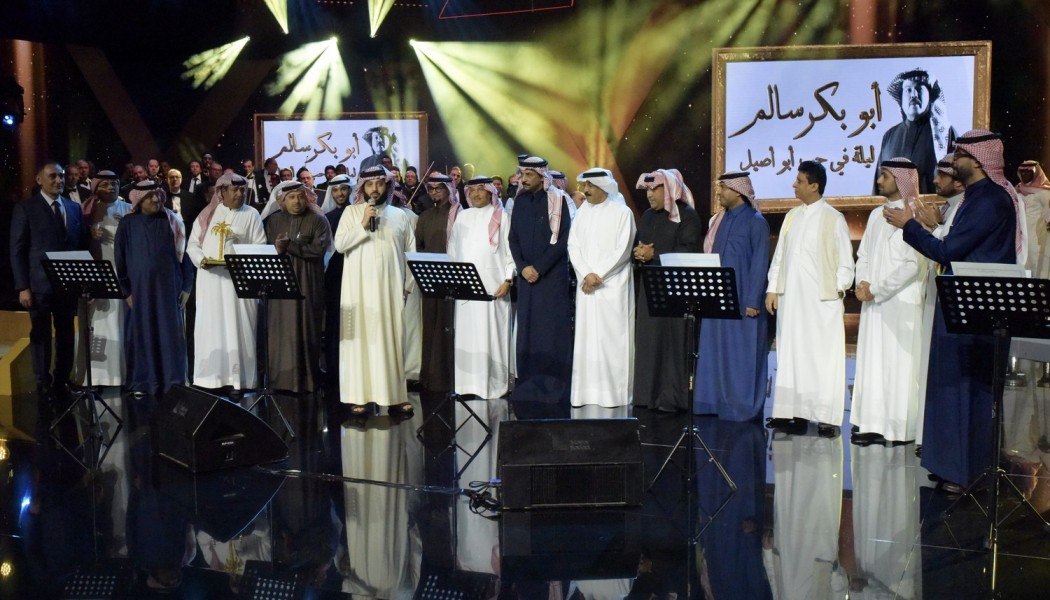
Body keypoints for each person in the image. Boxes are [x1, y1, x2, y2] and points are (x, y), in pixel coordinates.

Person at [886, 130, 1021, 491]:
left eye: (960, 154)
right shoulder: (976, 198)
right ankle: (950, 465)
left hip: (979, 310)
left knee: (968, 392)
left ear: (977, 161)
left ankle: (968, 472)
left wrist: (909, 226)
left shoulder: (991, 200)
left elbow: (947, 252)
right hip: (961, 305)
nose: (954, 159)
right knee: (950, 387)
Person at [765, 160, 854, 436]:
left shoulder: (834, 218)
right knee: (792, 356)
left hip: (821, 303)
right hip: (791, 300)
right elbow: (780, 256)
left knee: (821, 359)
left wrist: (836, 290)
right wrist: (772, 288)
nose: (794, 185)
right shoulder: (792, 216)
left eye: (800, 181)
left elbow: (846, 263)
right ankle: (793, 413)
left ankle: (826, 418)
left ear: (814, 186)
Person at [851, 158, 928, 444]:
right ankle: (872, 424)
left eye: (884, 175)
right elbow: (864, 255)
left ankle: (899, 430)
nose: (879, 181)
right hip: (873, 302)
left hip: (901, 303)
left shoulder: (917, 215)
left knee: (899, 364)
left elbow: (913, 264)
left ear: (900, 178)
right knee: (873, 362)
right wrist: (863, 283)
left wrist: (877, 289)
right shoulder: (876, 215)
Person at [333, 165, 416, 415]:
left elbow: (410, 254)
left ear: (387, 186)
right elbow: (340, 245)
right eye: (370, 185)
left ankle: (394, 395)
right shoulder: (351, 213)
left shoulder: (400, 215)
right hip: (357, 291)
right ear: (363, 187)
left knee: (391, 341)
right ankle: (358, 396)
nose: (375, 189)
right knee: (359, 341)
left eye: (380, 184)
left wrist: (407, 287)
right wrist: (363, 223)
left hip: (390, 290)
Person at [694, 172, 770, 421]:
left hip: (743, 301)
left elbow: (760, 263)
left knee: (741, 355)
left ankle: (741, 407)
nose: (718, 193)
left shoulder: (755, 221)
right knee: (715, 351)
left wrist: (752, 301)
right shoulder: (720, 221)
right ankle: (712, 403)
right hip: (718, 299)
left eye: (723, 188)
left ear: (738, 192)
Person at [9, 162, 88, 400]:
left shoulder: (73, 208)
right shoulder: (26, 208)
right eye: (52, 176)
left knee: (66, 334)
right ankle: (43, 384)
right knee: (41, 335)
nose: (58, 180)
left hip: (67, 284)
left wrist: (82, 281)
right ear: (39, 180)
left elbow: (80, 245)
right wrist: (23, 286)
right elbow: (17, 250)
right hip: (39, 286)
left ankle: (62, 380)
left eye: (61, 176)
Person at [630, 169, 703, 412]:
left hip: (676, 292)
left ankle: (671, 399)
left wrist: (655, 255)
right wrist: (639, 254)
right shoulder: (648, 216)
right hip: (650, 289)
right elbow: (641, 245)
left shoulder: (688, 216)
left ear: (669, 190)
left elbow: (689, 252)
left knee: (673, 345)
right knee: (649, 342)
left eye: (655, 189)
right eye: (648, 190)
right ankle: (646, 396)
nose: (649, 195)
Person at [186, 173, 266, 392]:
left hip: (239, 283)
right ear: (222, 191)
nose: (240, 194)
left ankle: (239, 381)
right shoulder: (208, 214)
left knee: (240, 329)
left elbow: (260, 246)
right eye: (235, 190)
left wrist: (239, 259)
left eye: (242, 190)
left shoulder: (251, 214)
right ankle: (209, 380)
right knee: (211, 328)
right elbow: (192, 245)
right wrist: (202, 260)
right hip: (211, 281)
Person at [114, 183, 191, 396]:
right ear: (139, 201)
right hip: (138, 292)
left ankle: (172, 383)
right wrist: (126, 291)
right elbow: (120, 259)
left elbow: (185, 255)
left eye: (158, 195)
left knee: (169, 335)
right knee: (141, 334)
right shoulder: (127, 223)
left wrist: (187, 286)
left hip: (169, 290)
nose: (156, 200)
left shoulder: (172, 220)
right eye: (150, 197)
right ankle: (142, 382)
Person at [508, 157, 573, 406]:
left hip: (551, 278)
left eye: (529, 175)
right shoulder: (520, 201)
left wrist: (539, 268)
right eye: (522, 174)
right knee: (528, 332)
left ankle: (554, 388)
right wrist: (523, 267)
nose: (523, 179)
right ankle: (527, 386)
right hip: (527, 279)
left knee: (550, 331)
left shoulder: (559, 200)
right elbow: (513, 238)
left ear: (542, 177)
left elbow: (564, 239)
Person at [568, 168, 636, 408]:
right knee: (587, 340)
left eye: (590, 186)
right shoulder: (582, 213)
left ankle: (613, 396)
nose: (585, 190)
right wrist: (586, 273)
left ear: (603, 187)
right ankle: (585, 394)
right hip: (586, 286)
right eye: (584, 186)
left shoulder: (622, 212)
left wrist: (599, 275)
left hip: (612, 286)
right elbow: (573, 246)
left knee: (612, 340)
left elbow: (623, 249)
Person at [447, 176, 515, 398]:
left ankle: (494, 387)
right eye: (472, 190)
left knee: (492, 336)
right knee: (467, 336)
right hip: (466, 287)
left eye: (480, 189)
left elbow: (511, 252)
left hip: (494, 286)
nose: (476, 194)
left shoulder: (502, 217)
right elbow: (453, 250)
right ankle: (467, 386)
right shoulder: (462, 216)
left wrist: (508, 279)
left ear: (490, 192)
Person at [914, 155, 965, 448]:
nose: (935, 181)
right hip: (936, 297)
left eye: (941, 175)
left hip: (955, 304)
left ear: (958, 181)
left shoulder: (964, 209)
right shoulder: (950, 208)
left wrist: (932, 228)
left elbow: (948, 251)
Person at [261, 183, 330, 394]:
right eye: (291, 197)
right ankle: (279, 381)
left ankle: (307, 381)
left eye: (300, 197)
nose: (297, 201)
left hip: (308, 283)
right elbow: (266, 249)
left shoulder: (318, 220)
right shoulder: (273, 221)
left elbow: (318, 250)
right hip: (280, 284)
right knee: (279, 330)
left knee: (307, 329)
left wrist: (289, 246)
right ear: (283, 201)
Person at [80, 171, 133, 389]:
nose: (111, 187)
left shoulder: (128, 209)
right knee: (98, 324)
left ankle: (122, 376)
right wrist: (89, 233)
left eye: (115, 183)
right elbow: (76, 240)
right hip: (97, 276)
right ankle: (97, 378)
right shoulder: (87, 211)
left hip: (122, 275)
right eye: (105, 184)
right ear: (95, 187)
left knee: (120, 324)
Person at [873, 68, 956, 195]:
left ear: (930, 97)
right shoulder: (890, 136)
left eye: (919, 89)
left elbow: (956, 183)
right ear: (901, 98)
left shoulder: (945, 134)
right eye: (908, 90)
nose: (914, 95)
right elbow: (879, 183)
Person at [415, 173, 461, 392]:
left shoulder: (459, 214)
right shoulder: (424, 216)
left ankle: (447, 377)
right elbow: (419, 246)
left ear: (448, 190)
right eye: (431, 189)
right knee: (430, 325)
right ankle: (430, 377)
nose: (434, 192)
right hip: (430, 277)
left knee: (447, 325)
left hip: (453, 278)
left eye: (438, 188)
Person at [319, 175, 353, 381]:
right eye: (336, 190)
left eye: (344, 189)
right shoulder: (326, 217)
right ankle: (333, 365)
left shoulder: (356, 213)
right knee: (333, 319)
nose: (340, 194)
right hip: (333, 274)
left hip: (353, 272)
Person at [1017, 160, 1050, 278]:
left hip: (1036, 235)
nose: (1024, 174)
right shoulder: (1018, 189)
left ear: (1036, 173)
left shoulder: (1044, 192)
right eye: (1022, 172)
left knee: (1036, 262)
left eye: (1028, 172)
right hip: (1020, 235)